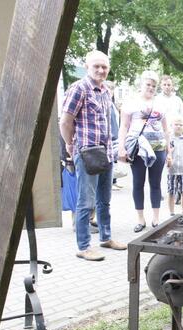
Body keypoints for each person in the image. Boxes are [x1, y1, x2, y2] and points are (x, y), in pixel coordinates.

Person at [59, 50, 127, 261]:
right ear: (87, 66)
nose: (100, 70)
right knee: (85, 201)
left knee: (104, 200)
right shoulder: (79, 88)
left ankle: (105, 237)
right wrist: (70, 145)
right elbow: (65, 121)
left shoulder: (105, 91)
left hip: (105, 153)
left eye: (104, 67)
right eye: (96, 66)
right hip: (87, 153)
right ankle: (83, 246)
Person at [118, 70, 170, 232]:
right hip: (138, 149)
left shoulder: (161, 104)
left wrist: (170, 150)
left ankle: (156, 218)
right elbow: (124, 126)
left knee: (156, 183)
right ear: (141, 85)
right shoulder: (131, 103)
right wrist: (121, 147)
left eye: (154, 85)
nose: (151, 88)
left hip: (158, 149)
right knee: (138, 183)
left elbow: (166, 128)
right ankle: (140, 219)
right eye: (148, 84)